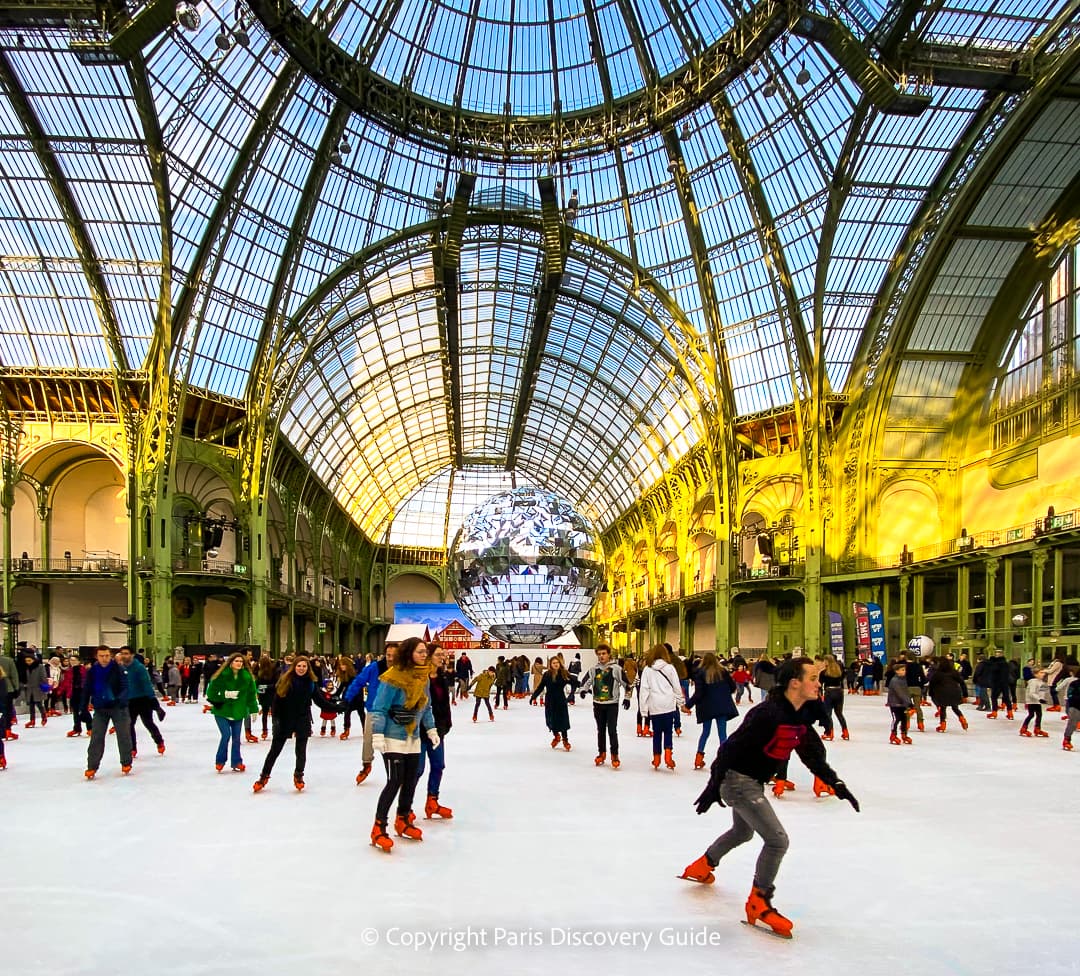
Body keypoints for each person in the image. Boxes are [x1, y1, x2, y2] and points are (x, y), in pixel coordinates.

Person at [680, 656, 860, 938]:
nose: (818, 683)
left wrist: (835, 783)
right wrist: (713, 786)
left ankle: (701, 866)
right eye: (813, 678)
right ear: (794, 683)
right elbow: (729, 749)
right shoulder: (768, 714)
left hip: (752, 781)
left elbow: (811, 753)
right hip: (738, 782)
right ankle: (758, 901)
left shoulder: (797, 714)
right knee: (777, 841)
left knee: (742, 832)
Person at [369, 636, 437, 852]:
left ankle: (403, 818)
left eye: (425, 651)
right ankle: (379, 827)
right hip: (392, 737)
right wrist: (377, 734)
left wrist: (431, 729)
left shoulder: (423, 677)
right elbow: (379, 708)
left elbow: (425, 707)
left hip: (413, 737)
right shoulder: (392, 677)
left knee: (410, 780)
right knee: (395, 780)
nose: (424, 654)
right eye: (420, 651)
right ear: (409, 653)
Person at [252, 654, 335, 792]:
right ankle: (263, 777)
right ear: (294, 667)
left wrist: (338, 707)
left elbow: (321, 702)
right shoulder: (285, 680)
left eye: (304, 666)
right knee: (274, 751)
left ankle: (299, 775)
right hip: (285, 719)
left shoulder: (310, 683)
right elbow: (276, 702)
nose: (301, 668)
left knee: (301, 751)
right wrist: (276, 721)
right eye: (299, 666)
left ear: (308, 668)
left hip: (302, 719)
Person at [82, 646, 132, 779]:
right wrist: (83, 708)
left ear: (110, 656)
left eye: (106, 656)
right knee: (96, 737)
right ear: (96, 657)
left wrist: (120, 700)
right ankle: (92, 766)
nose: (104, 658)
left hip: (118, 708)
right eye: (101, 656)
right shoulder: (92, 671)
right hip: (100, 708)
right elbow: (86, 689)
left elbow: (125, 686)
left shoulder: (118, 669)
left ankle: (126, 762)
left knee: (123, 735)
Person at [347, 644, 393, 785]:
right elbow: (359, 681)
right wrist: (347, 698)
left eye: (394, 655)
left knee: (391, 742)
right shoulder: (374, 667)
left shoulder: (401, 669)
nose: (391, 658)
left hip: (393, 711)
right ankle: (366, 764)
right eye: (389, 655)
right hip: (374, 709)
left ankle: (394, 771)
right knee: (368, 739)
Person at [206, 652, 259, 772]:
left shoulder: (247, 677)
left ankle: (237, 761)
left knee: (236, 738)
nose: (239, 663)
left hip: (238, 711)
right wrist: (224, 695)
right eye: (236, 661)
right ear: (230, 663)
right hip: (222, 711)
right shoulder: (222, 675)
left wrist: (254, 709)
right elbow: (211, 693)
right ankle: (220, 760)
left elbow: (251, 695)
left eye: (241, 661)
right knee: (226, 735)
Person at [577, 643, 627, 768]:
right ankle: (602, 753)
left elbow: (627, 683)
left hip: (612, 705)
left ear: (609, 654)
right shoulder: (593, 670)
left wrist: (627, 698)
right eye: (599, 654)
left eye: (604, 653)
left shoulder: (616, 669)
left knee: (612, 730)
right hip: (598, 704)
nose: (601, 656)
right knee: (601, 730)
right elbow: (586, 681)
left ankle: (614, 754)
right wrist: (583, 690)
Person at [685, 652, 738, 769]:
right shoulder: (723, 672)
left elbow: (699, 693)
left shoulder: (700, 673)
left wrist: (687, 706)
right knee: (722, 734)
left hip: (707, 707)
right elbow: (733, 687)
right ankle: (724, 760)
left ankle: (698, 758)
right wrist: (723, 694)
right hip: (722, 707)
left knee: (705, 732)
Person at [418, 643, 453, 819]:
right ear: (429, 656)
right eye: (439, 654)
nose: (442, 657)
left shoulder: (441, 677)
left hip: (438, 729)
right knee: (417, 770)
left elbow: (443, 703)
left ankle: (432, 800)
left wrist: (447, 723)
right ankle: (405, 808)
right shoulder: (420, 678)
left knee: (438, 765)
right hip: (420, 730)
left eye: (443, 655)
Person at [639, 644, 685, 769]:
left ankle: (656, 758)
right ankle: (668, 756)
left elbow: (644, 691)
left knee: (657, 733)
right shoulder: (670, 668)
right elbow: (676, 687)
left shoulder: (647, 670)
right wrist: (681, 703)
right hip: (668, 705)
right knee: (668, 732)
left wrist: (643, 710)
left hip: (655, 706)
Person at [118, 646, 166, 757]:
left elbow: (147, 685)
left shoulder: (139, 668)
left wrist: (154, 703)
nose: (124, 656)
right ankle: (132, 748)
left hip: (143, 700)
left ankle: (159, 741)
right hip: (129, 701)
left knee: (148, 723)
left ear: (132, 655)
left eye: (126, 653)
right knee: (129, 725)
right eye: (122, 653)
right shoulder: (120, 668)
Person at [530, 655, 573, 751]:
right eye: (554, 663)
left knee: (563, 720)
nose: (556, 664)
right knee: (551, 719)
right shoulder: (547, 674)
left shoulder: (564, 673)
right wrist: (534, 696)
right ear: (551, 665)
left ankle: (565, 740)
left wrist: (578, 689)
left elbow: (573, 682)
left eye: (557, 663)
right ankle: (556, 736)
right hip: (550, 700)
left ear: (559, 663)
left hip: (561, 700)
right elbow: (541, 686)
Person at [929, 656, 968, 732]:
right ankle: (962, 719)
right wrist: (965, 694)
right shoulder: (954, 672)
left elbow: (932, 684)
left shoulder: (938, 673)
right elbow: (962, 682)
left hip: (942, 693)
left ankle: (942, 725)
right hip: (954, 692)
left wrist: (931, 693)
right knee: (955, 707)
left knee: (943, 708)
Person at [819, 656, 849, 740]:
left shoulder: (824, 673)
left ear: (827, 662)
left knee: (828, 714)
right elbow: (842, 678)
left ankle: (829, 733)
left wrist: (821, 695)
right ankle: (845, 731)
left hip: (829, 692)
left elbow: (820, 685)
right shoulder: (839, 671)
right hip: (839, 692)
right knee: (839, 713)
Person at [886, 660, 913, 745]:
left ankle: (904, 734)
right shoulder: (895, 680)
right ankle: (893, 734)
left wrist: (908, 702)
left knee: (904, 719)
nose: (904, 672)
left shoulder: (903, 680)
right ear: (896, 671)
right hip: (895, 703)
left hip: (903, 704)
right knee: (896, 719)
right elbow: (900, 692)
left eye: (904, 670)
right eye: (902, 670)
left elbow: (906, 692)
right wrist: (909, 702)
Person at [1019, 668, 1050, 738]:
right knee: (1031, 715)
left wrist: (1042, 699)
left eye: (1043, 672)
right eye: (1041, 672)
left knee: (1039, 714)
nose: (1043, 674)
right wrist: (1039, 698)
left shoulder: (1042, 683)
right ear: (1035, 674)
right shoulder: (1033, 682)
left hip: (1037, 702)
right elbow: (1031, 693)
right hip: (1031, 701)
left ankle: (1037, 728)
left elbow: (1042, 692)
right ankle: (1024, 728)